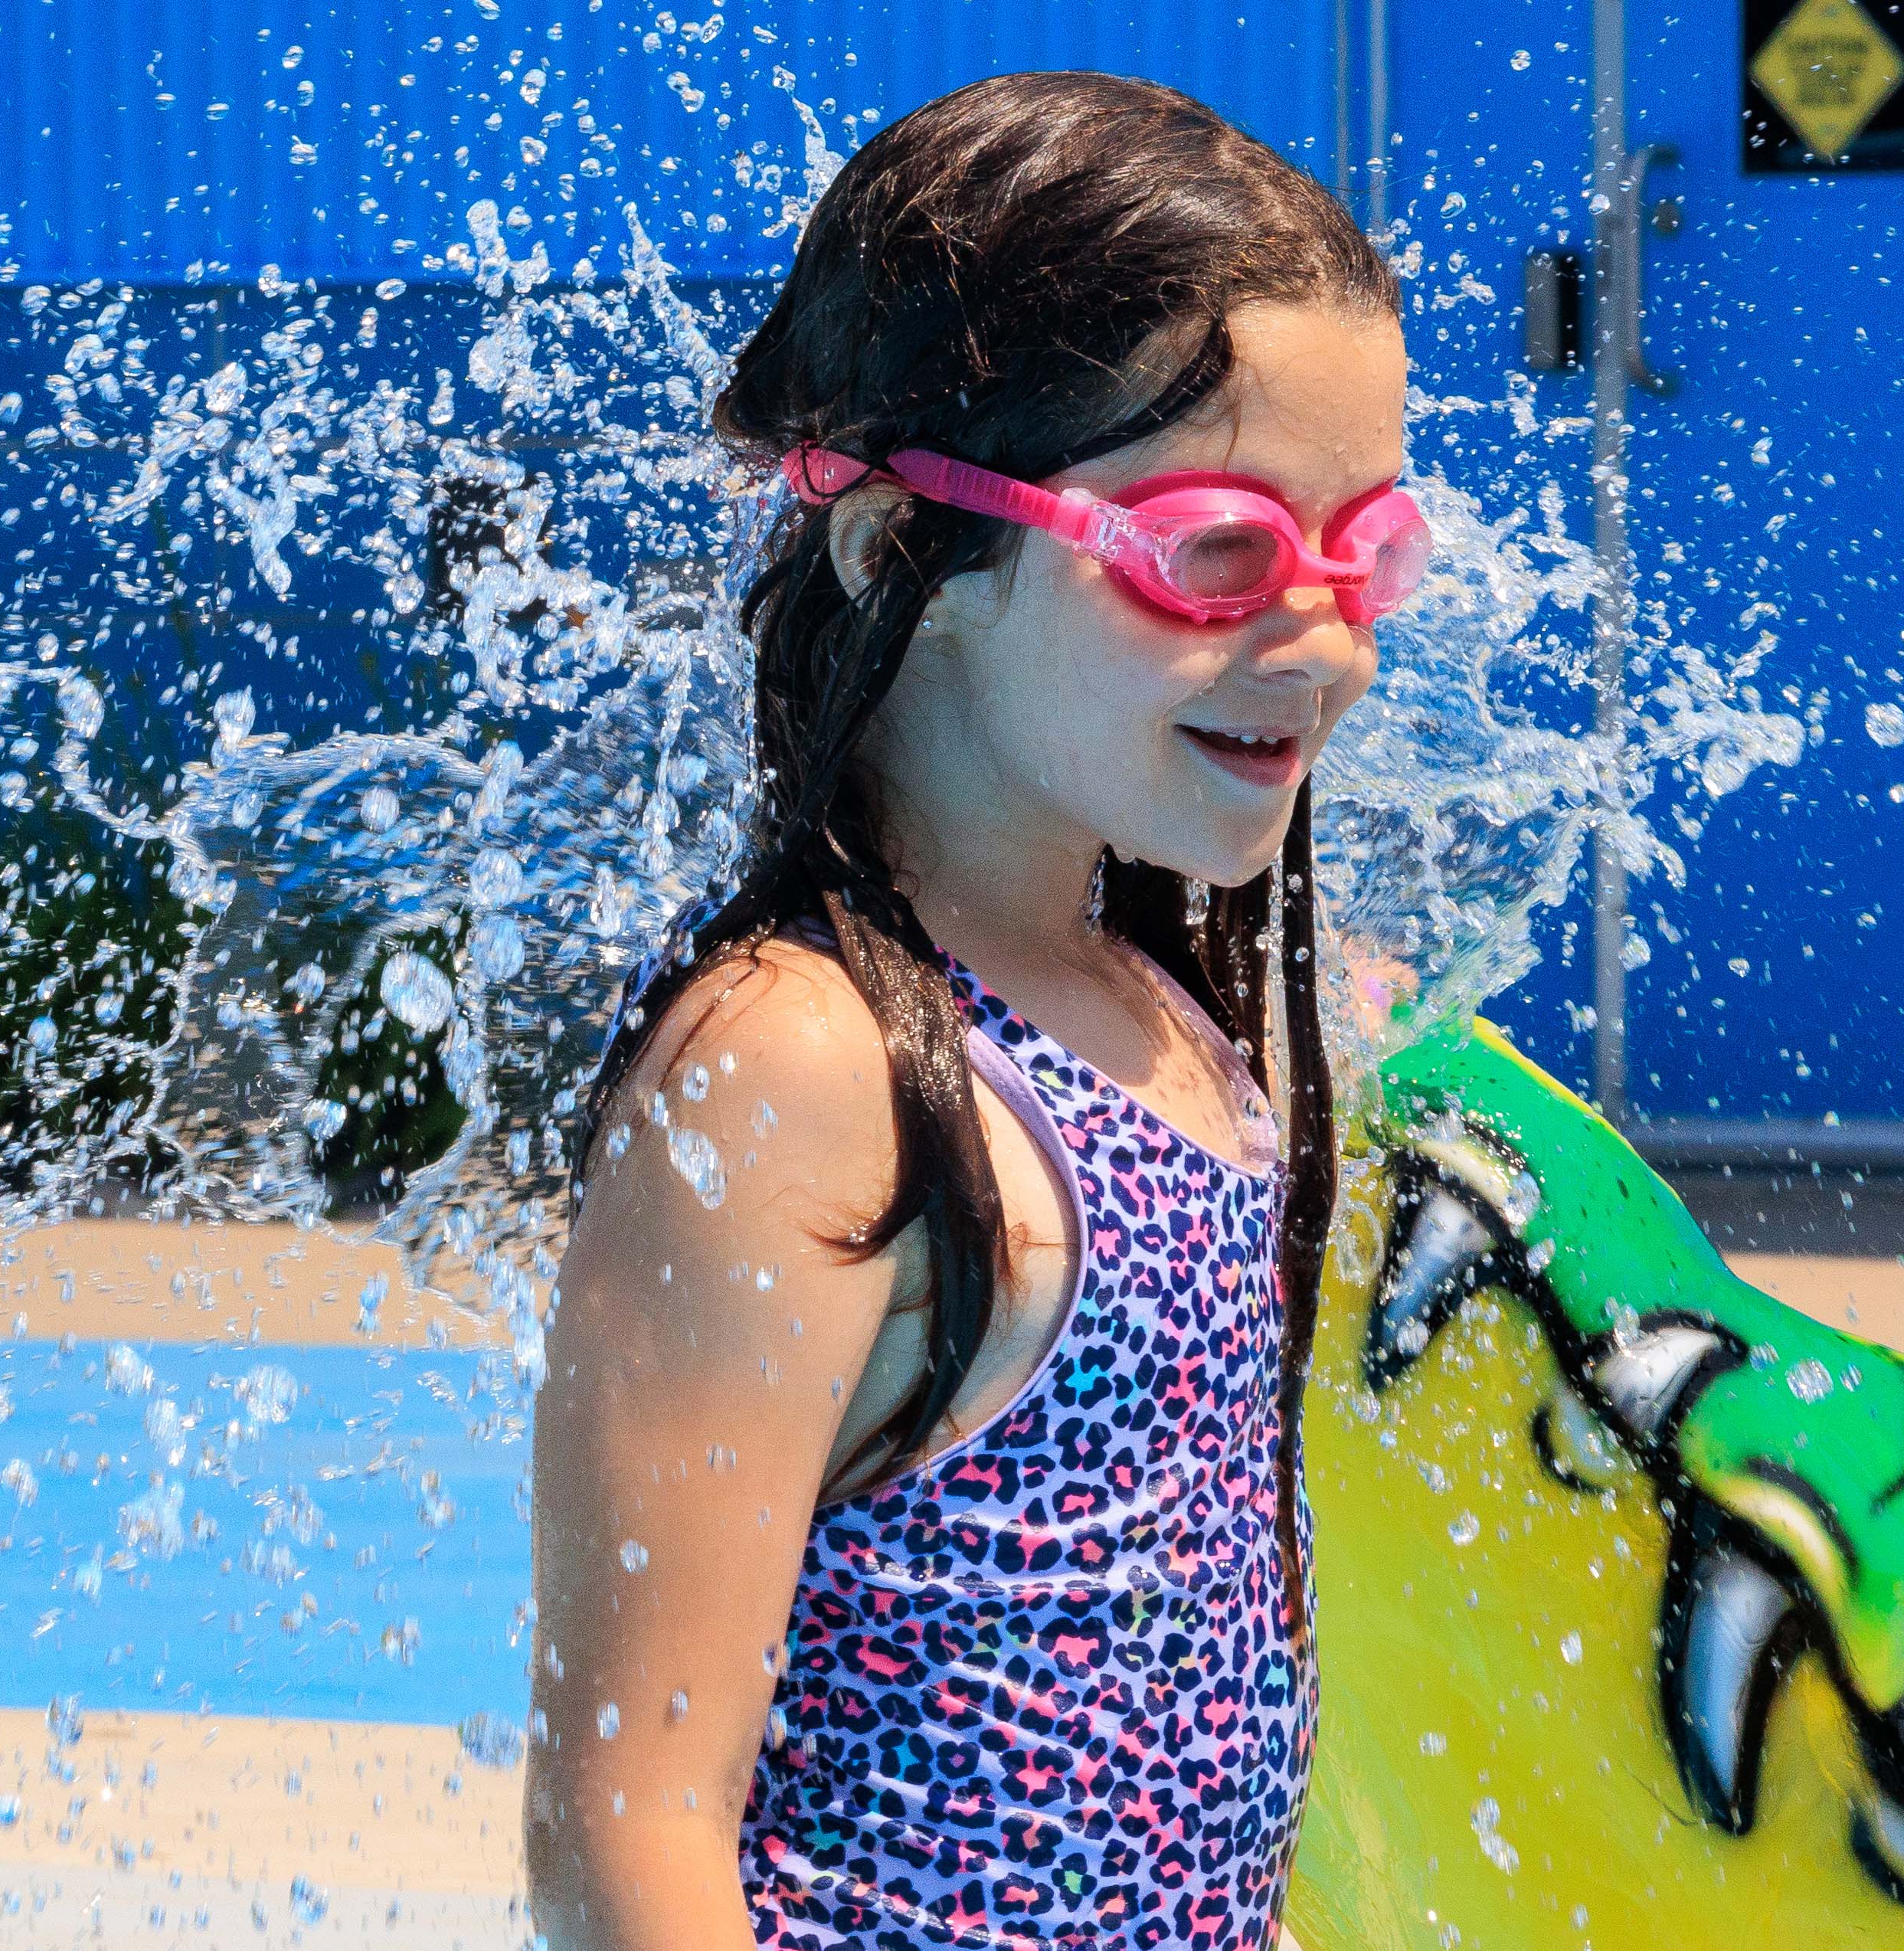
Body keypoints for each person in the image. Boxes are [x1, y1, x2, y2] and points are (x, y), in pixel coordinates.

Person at [525, 70, 1421, 1951]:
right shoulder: (800, 1064)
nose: (1327, 641)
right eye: (1216, 552)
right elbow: (624, 1828)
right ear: (896, 551)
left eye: (1365, 551)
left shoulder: (1164, 1011)